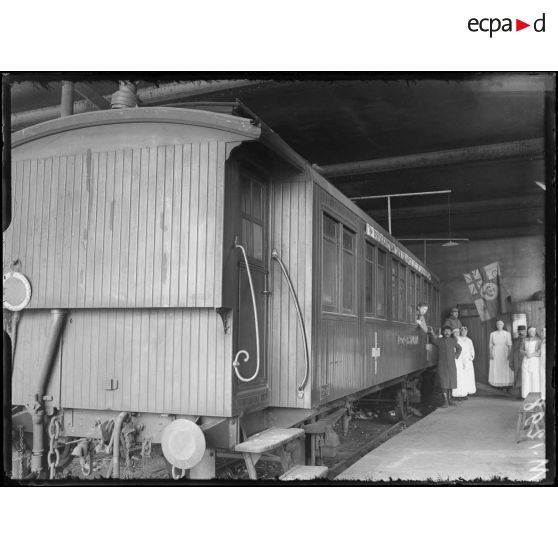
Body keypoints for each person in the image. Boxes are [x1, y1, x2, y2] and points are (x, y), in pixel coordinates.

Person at [429, 324, 462, 408]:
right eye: (445, 331)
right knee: (444, 382)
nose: (447, 332)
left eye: (448, 331)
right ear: (443, 332)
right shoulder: (439, 340)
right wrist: (432, 332)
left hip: (451, 365)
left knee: (451, 382)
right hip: (442, 365)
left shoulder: (453, 340)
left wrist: (456, 355)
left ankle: (450, 400)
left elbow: (459, 348)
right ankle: (445, 402)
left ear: (451, 332)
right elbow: (433, 340)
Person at [488, 320, 513, 390]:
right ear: (496, 325)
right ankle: (497, 383)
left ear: (503, 325)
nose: (499, 325)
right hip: (495, 351)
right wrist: (491, 353)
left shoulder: (507, 333)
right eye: (498, 324)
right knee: (496, 367)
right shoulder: (492, 334)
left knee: (504, 366)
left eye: (501, 324)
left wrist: (509, 354)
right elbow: (490, 345)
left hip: (504, 351)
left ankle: (505, 384)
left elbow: (510, 345)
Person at [453, 326, 476, 399]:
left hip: (468, 361)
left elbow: (471, 349)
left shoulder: (469, 340)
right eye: (462, 331)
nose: (464, 332)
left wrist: (471, 357)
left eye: (465, 331)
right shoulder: (458, 339)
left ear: (467, 332)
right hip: (460, 360)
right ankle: (459, 394)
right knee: (461, 377)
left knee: (468, 376)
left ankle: (467, 391)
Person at [521, 326, 542, 399]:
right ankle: (526, 394)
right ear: (528, 332)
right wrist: (526, 353)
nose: (532, 333)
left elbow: (540, 352)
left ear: (535, 332)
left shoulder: (539, 340)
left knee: (534, 377)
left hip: (535, 361)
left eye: (533, 331)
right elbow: (521, 350)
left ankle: (535, 394)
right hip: (526, 360)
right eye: (530, 331)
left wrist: (532, 355)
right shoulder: (524, 340)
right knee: (526, 377)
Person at [511, 325, 527, 399]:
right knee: (518, 378)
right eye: (519, 331)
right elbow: (512, 351)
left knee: (525, 378)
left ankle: (525, 395)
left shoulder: (528, 339)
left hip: (525, 361)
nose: (521, 332)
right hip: (517, 361)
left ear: (525, 331)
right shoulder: (515, 340)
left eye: (522, 331)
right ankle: (520, 395)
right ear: (518, 331)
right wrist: (511, 362)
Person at [539, 327, 546, 401]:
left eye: (543, 332)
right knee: (543, 378)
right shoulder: (542, 341)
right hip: (542, 362)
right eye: (542, 332)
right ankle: (543, 396)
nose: (542, 333)